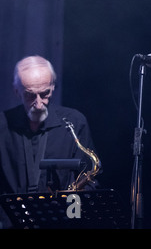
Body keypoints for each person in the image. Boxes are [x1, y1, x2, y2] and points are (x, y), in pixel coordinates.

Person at [0, 55, 99, 228]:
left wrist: (70, 215)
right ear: (17, 92)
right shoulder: (2, 125)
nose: (39, 104)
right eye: (30, 95)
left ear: (53, 87)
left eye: (45, 93)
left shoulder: (75, 122)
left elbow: (89, 182)